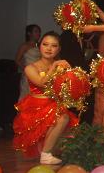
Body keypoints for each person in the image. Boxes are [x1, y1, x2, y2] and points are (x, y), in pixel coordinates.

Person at [12, 32, 79, 165]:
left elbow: (70, 86)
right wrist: (54, 67)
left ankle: (47, 152)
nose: (49, 48)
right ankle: (46, 154)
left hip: (54, 103)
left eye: (54, 46)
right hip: (37, 107)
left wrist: (72, 74)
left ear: (59, 49)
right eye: (45, 44)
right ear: (39, 46)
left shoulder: (61, 66)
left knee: (65, 123)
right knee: (62, 117)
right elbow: (42, 83)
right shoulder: (30, 67)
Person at [16, 24, 42, 98]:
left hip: (38, 74)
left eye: (39, 32)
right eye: (36, 31)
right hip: (28, 75)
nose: (39, 34)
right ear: (29, 33)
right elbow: (17, 60)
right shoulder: (25, 46)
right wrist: (26, 69)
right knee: (26, 95)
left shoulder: (40, 46)